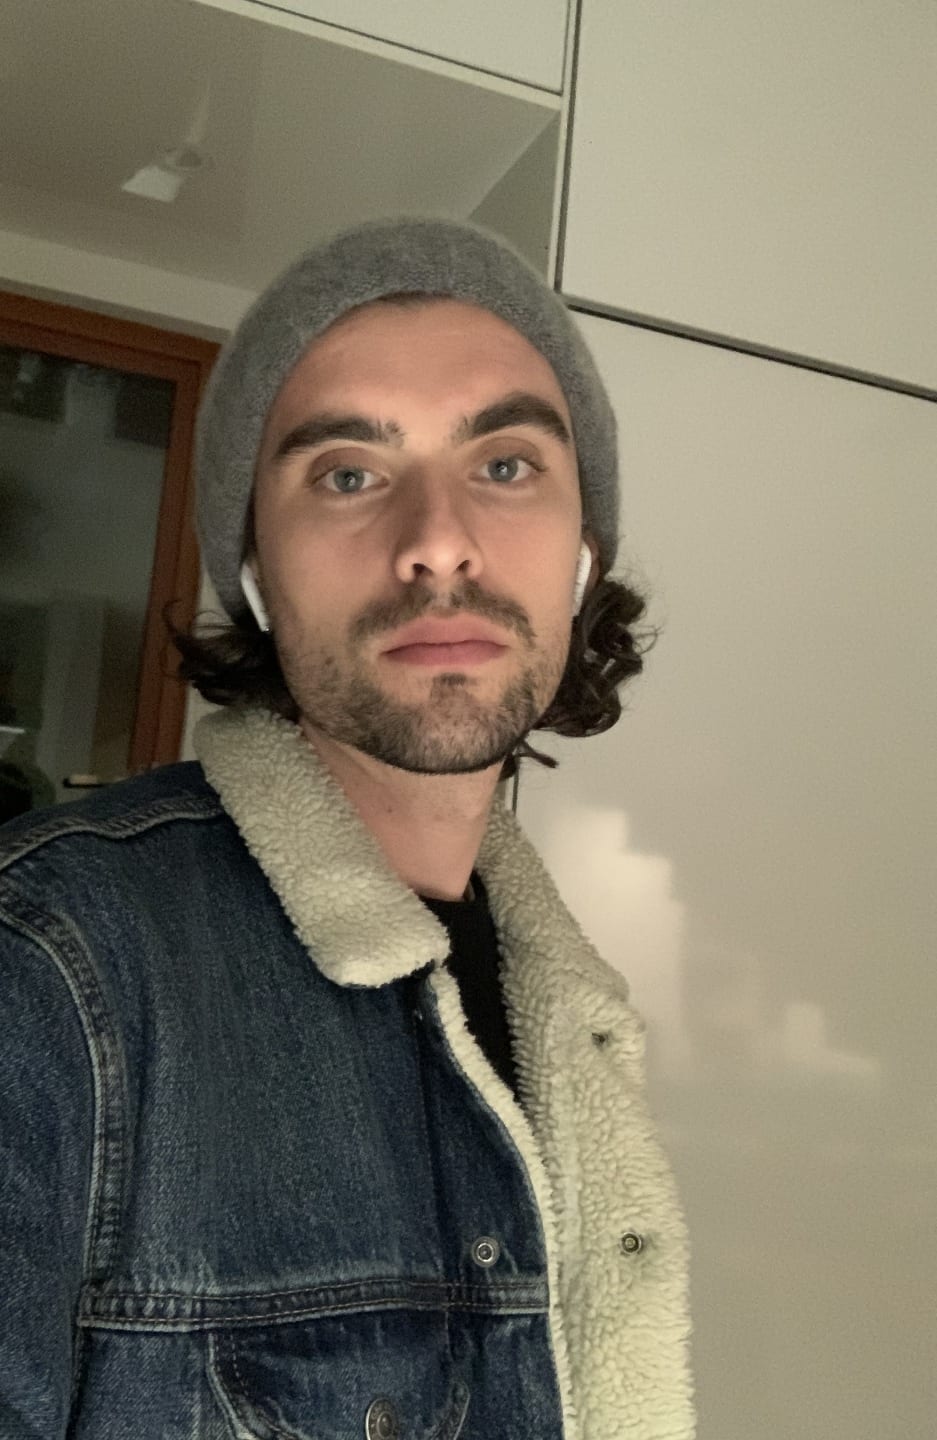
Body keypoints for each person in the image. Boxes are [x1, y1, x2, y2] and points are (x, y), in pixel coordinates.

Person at [0, 219, 693, 1438]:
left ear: (584, 559)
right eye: (348, 475)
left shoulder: (560, 998)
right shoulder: (46, 966)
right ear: (254, 575)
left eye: (506, 464)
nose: (437, 542)